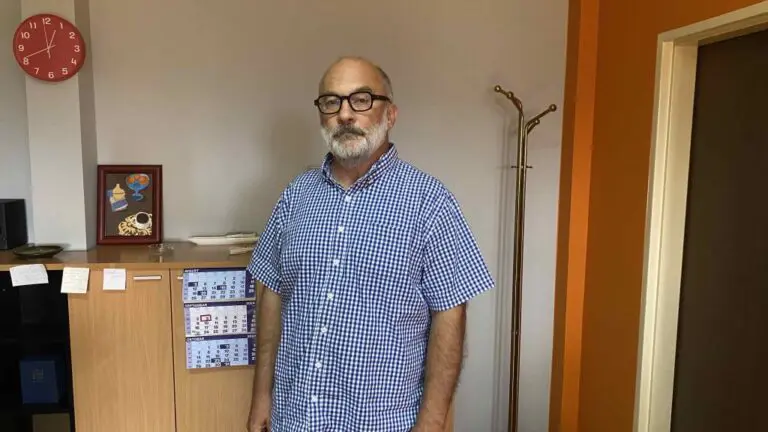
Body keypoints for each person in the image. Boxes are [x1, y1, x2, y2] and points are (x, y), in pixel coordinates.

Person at [246, 56, 495, 432]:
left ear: (390, 114)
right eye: (331, 102)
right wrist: (262, 397)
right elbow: (272, 295)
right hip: (294, 418)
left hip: (383, 422)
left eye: (361, 99)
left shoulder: (430, 203)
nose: (345, 114)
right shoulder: (296, 196)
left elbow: (451, 316)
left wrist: (432, 422)